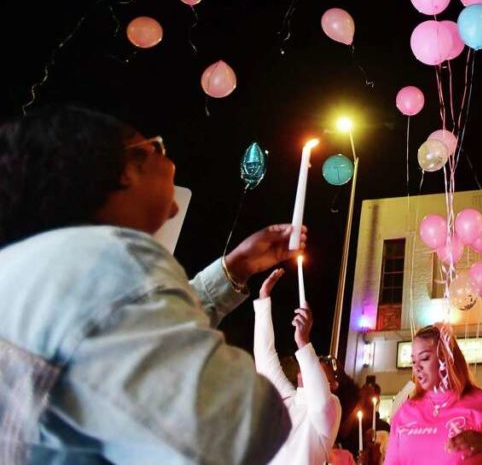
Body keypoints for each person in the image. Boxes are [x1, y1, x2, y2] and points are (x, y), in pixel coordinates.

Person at [0, 106, 295, 463]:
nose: (169, 162)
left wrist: (236, 267)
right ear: (126, 168)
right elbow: (235, 427)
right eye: (157, 148)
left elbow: (116, 335)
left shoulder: (26, 269)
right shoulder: (115, 260)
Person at [385, 323, 482, 464]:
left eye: (424, 358)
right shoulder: (405, 412)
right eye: (413, 361)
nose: (417, 368)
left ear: (446, 358)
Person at [253, 267, 342, 464]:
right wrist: (263, 299)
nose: (318, 360)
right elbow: (265, 359)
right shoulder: (287, 399)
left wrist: (303, 341)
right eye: (318, 358)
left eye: (326, 362)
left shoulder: (331, 406)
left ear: (333, 384)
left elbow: (320, 402)